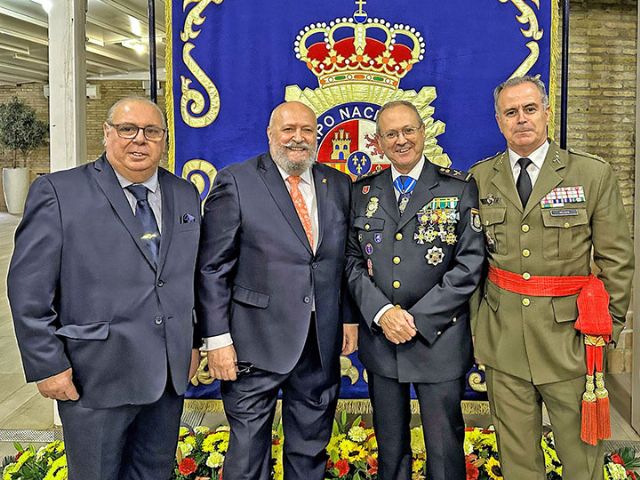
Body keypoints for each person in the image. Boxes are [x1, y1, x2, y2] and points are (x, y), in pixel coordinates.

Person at [7, 96, 202, 480]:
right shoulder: (60, 192)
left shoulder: (184, 193)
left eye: (151, 132)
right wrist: (48, 363)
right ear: (107, 133)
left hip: (165, 376)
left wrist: (191, 343)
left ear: (164, 139)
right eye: (128, 129)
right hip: (93, 376)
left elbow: (186, 277)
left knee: (154, 473)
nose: (139, 140)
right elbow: (28, 288)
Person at [470, 75, 634, 480]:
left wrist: (604, 330)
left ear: (547, 112)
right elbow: (472, 262)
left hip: (570, 341)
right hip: (503, 339)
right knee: (518, 463)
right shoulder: (480, 178)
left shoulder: (590, 174)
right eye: (511, 112)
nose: (521, 119)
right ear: (498, 121)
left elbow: (617, 259)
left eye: (529, 109)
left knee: (582, 461)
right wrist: (479, 326)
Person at [196, 101, 358, 480]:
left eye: (306, 130)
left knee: (310, 449)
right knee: (249, 454)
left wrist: (348, 318)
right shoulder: (236, 181)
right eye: (288, 130)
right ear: (270, 135)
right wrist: (217, 339)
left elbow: (342, 261)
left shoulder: (337, 184)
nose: (297, 138)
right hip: (253, 342)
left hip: (319, 342)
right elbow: (212, 267)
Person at [345, 100, 485, 480]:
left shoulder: (458, 188)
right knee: (390, 450)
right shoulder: (363, 191)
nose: (401, 140)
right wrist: (382, 313)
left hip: (437, 339)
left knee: (443, 450)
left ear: (423, 133)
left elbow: (470, 263)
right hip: (383, 341)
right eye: (391, 134)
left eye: (408, 130)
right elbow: (353, 262)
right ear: (378, 142)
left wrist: (416, 319)